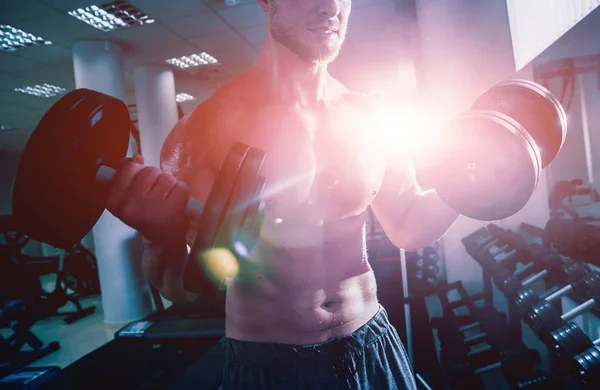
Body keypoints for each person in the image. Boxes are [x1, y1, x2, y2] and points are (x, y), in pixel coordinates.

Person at [107, 0, 460, 388]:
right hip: (272, 364)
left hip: (372, 344)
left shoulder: (370, 117)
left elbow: (409, 224)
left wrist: (474, 179)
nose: (330, 7)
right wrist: (160, 238)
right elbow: (185, 291)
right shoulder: (204, 131)